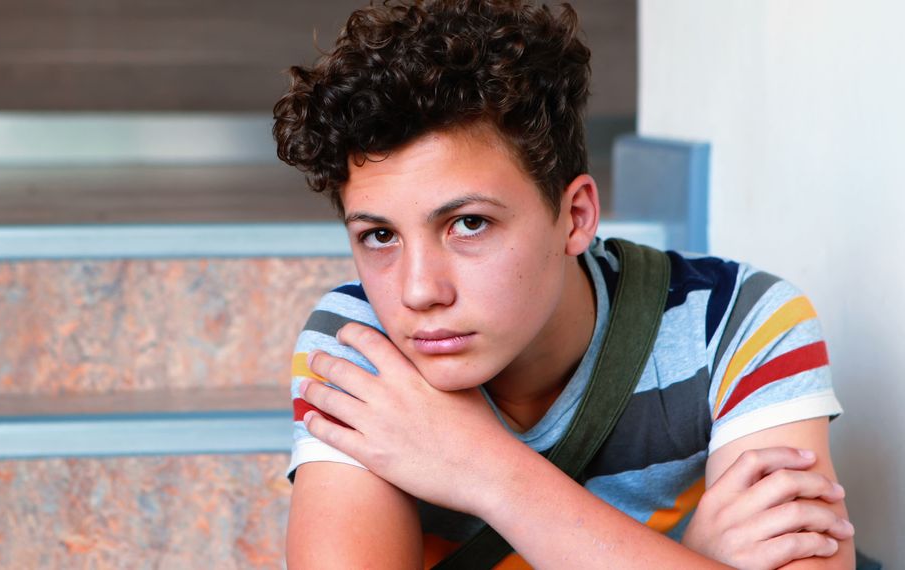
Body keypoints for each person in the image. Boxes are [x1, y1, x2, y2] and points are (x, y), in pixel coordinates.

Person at [272, 1, 855, 568]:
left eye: (468, 224)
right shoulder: (360, 347)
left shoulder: (734, 322)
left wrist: (484, 469)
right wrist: (689, 560)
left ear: (575, 215)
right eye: (379, 236)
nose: (419, 291)